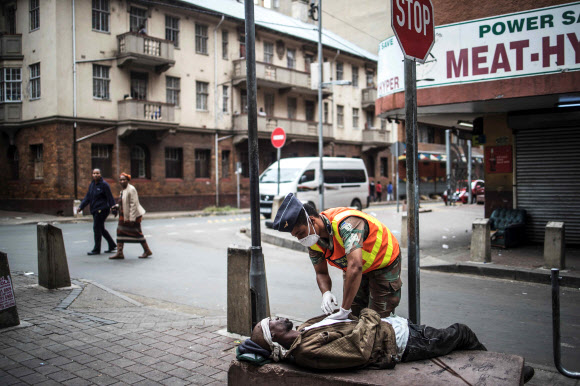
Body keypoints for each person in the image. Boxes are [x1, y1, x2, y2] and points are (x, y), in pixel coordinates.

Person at [240, 309, 534, 383]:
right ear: (274, 337)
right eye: (271, 321)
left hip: (396, 327)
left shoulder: (303, 331)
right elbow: (358, 350)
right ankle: (505, 375)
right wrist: (370, 312)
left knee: (455, 342)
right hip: (400, 342)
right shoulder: (307, 352)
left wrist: (339, 309)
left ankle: (501, 372)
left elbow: (341, 321)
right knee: (461, 333)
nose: (276, 316)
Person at [272, 193, 401, 319]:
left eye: (300, 233)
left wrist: (344, 309)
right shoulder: (313, 240)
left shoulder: (346, 224)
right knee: (356, 314)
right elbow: (321, 273)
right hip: (358, 268)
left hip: (384, 264)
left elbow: (355, 267)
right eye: (296, 236)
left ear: (311, 220)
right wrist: (326, 293)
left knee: (377, 320)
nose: (301, 239)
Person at [109, 173, 152, 260]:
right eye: (120, 180)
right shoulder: (123, 190)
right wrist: (117, 207)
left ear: (128, 180)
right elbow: (124, 203)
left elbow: (133, 204)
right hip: (124, 215)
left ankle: (147, 250)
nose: (122, 181)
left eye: (124, 179)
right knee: (120, 231)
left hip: (133, 216)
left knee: (137, 233)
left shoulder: (131, 189)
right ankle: (120, 252)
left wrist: (132, 219)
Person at [77, 168, 117, 255]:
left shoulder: (104, 185)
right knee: (101, 228)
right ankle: (112, 245)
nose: (96, 175)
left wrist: (113, 209)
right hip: (95, 209)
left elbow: (110, 197)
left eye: (97, 173)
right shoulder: (92, 185)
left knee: (96, 228)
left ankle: (96, 249)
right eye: (94, 173)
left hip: (102, 210)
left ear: (100, 174)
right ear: (92, 175)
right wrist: (81, 207)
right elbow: (88, 197)